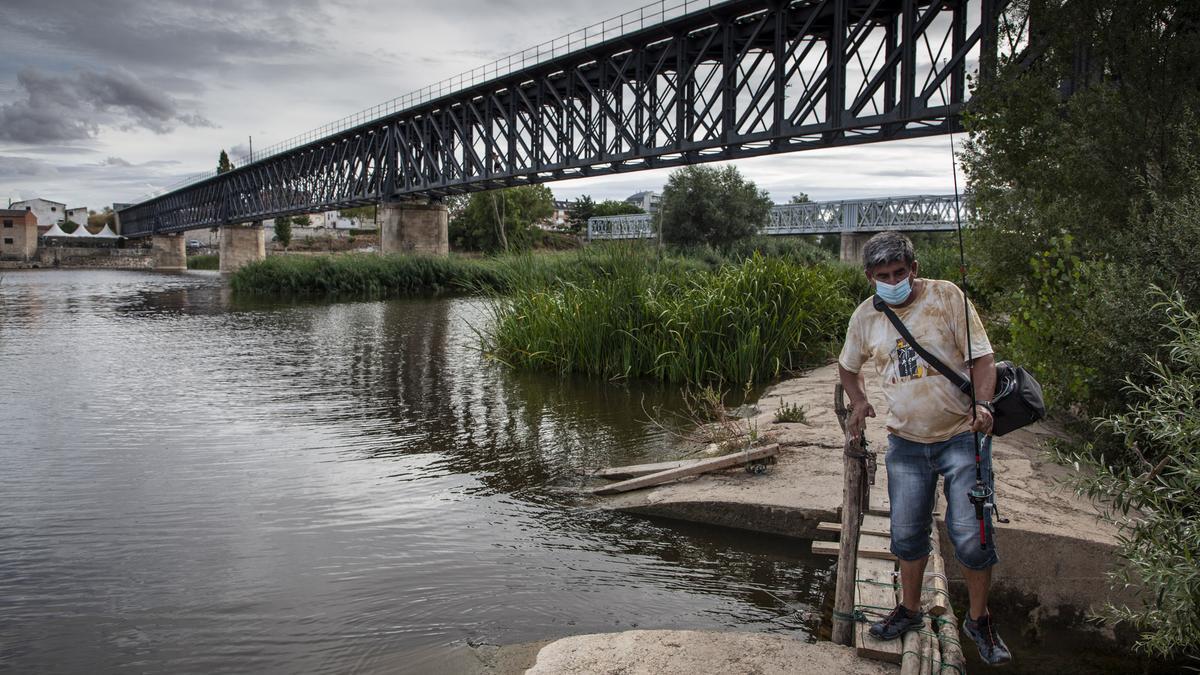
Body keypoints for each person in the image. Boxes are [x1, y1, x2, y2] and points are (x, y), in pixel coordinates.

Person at [836, 231, 1011, 666]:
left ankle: (979, 620)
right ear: (870, 277)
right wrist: (859, 400)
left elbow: (983, 358)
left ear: (913, 269)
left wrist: (984, 404)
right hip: (906, 444)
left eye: (899, 272)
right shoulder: (865, 317)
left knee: (972, 537)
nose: (892, 280)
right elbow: (847, 366)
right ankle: (909, 610)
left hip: (961, 437)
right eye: (882, 276)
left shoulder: (946, 297)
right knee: (907, 535)